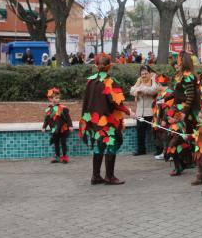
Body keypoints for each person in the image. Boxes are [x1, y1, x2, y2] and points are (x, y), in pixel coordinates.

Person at [79, 53, 134, 185]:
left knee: (99, 146)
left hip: (94, 120)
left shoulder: (91, 81)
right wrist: (128, 111)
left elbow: (86, 101)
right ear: (110, 66)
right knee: (110, 146)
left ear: (96, 65)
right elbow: (116, 102)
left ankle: (96, 176)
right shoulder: (110, 82)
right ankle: (109, 176)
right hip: (108, 121)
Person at [164, 51, 200, 176]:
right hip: (177, 110)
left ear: (183, 61)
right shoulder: (180, 75)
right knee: (176, 138)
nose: (176, 62)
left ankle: (181, 162)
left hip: (184, 113)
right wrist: (165, 99)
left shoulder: (188, 76)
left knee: (176, 137)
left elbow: (190, 96)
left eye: (178, 59)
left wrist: (184, 112)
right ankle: (180, 164)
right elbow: (177, 93)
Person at [130, 65, 159, 156]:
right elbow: (132, 90)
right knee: (140, 131)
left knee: (155, 132)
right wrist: (137, 91)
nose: (144, 75)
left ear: (150, 73)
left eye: (146, 73)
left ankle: (159, 150)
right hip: (140, 112)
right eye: (142, 74)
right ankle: (141, 150)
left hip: (151, 111)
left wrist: (142, 90)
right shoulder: (139, 81)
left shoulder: (153, 79)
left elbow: (154, 90)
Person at [42, 87, 73, 164]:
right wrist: (44, 127)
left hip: (63, 129)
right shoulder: (49, 109)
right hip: (54, 129)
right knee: (56, 143)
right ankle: (57, 156)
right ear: (51, 99)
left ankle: (64, 157)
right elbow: (47, 119)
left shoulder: (63, 108)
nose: (57, 99)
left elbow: (68, 118)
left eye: (58, 98)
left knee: (63, 142)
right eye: (55, 98)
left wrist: (70, 126)